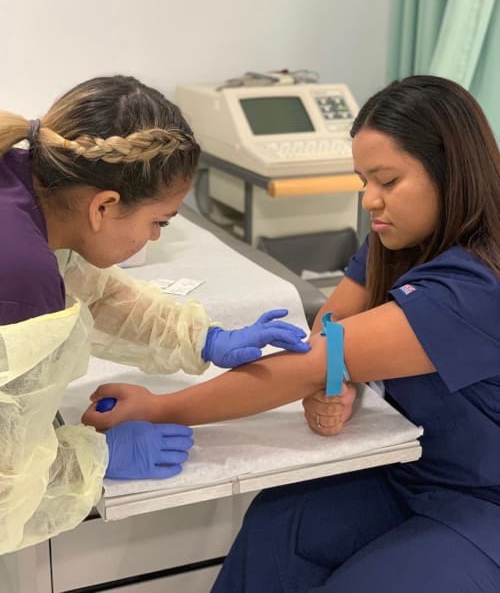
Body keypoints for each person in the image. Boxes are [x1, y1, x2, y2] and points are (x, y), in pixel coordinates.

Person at [83, 75, 500, 592]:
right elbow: (329, 331)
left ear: (451, 174)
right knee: (276, 527)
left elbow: (312, 359)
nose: (370, 200)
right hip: (406, 469)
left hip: (480, 503)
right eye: (362, 181)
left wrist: (161, 407)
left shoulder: (477, 286)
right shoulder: (394, 243)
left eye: (387, 182)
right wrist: (342, 382)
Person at [0, 75, 311, 554]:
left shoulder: (23, 177)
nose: (156, 239)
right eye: (158, 222)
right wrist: (89, 463)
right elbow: (5, 486)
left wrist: (202, 337)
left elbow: (91, 290)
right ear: (104, 206)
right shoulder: (19, 272)